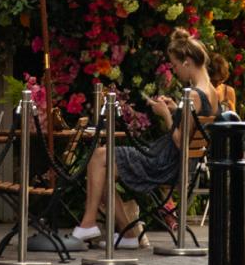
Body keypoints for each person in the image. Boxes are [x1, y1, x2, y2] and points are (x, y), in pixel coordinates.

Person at [72, 29, 215, 248]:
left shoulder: (194, 95)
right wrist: (176, 109)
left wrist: (166, 115)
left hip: (166, 162)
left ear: (187, 63)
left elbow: (180, 142)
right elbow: (194, 126)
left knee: (99, 156)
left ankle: (91, 223)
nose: (175, 72)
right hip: (174, 159)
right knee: (101, 165)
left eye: (175, 66)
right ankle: (122, 234)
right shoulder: (210, 91)